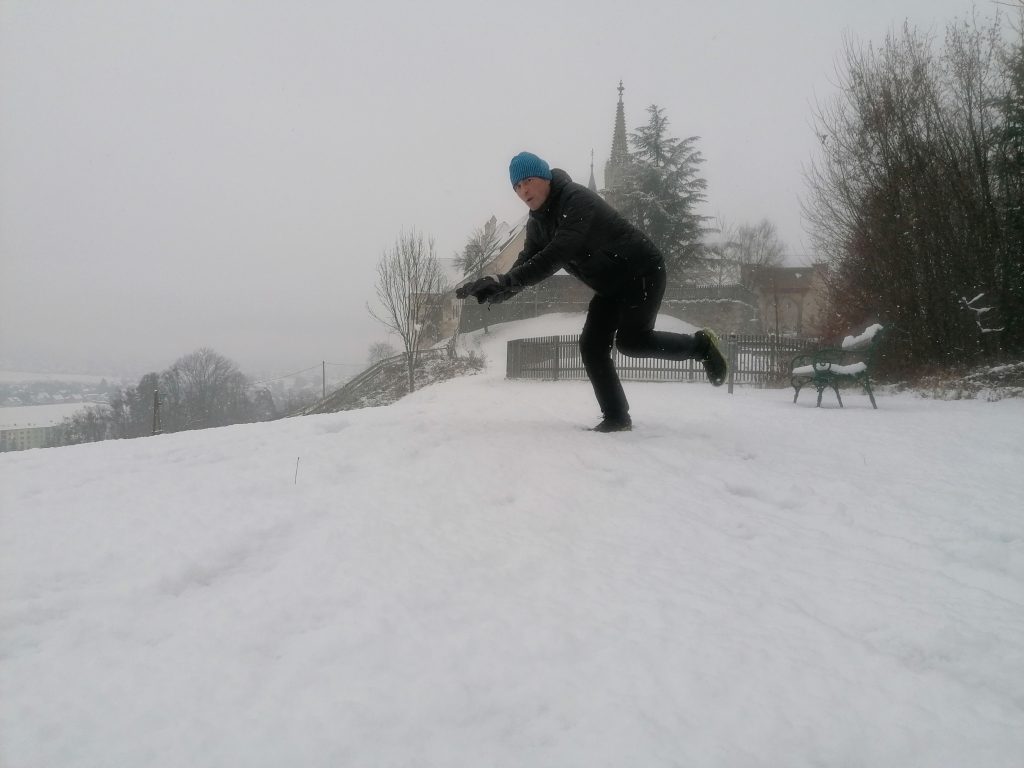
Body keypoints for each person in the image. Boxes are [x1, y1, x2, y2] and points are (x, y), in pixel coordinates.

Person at [456, 151, 727, 432]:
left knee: (633, 341)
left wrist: (505, 281)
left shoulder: (576, 200)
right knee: (592, 346)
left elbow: (557, 254)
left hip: (640, 271)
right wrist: (495, 290)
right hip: (609, 286)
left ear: (545, 176)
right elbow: (526, 261)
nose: (523, 190)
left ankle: (701, 346)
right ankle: (617, 417)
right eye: (516, 186)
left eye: (527, 181)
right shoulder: (536, 223)